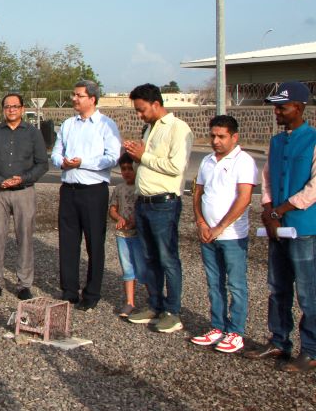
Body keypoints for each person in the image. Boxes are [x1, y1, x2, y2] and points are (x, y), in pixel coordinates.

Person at [243, 82, 316, 372]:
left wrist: (281, 210)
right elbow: (269, 178)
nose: (277, 112)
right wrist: (267, 209)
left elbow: (313, 187)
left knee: (308, 293)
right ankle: (278, 340)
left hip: (303, 228)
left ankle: (310, 350)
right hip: (277, 227)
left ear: (298, 108)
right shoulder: (275, 142)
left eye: (281, 107)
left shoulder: (312, 140)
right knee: (278, 288)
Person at [123, 83, 193, 333]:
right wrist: (134, 154)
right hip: (144, 202)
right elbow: (147, 162)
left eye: (142, 110)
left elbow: (176, 166)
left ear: (156, 104)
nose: (139, 115)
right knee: (150, 257)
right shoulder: (149, 129)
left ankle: (173, 311)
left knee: (167, 258)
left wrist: (144, 157)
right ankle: (155, 304)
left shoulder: (177, 128)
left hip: (164, 203)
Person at [50, 80, 121, 311]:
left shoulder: (105, 125)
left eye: (78, 95)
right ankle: (69, 290)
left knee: (94, 244)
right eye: (73, 94)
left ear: (92, 98)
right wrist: (62, 162)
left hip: (93, 191)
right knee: (68, 242)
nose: (74, 99)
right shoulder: (68, 124)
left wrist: (84, 163)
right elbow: (56, 153)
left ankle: (92, 293)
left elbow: (112, 157)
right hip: (69, 190)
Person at [189, 115, 257, 354]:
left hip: (232, 236)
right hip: (207, 234)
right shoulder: (207, 160)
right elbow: (197, 193)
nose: (216, 141)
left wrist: (220, 227)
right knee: (213, 282)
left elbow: (244, 198)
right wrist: (200, 222)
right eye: (213, 136)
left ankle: (235, 332)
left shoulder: (244, 161)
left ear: (234, 137)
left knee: (236, 284)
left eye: (221, 136)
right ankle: (217, 326)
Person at [0, 93, 48, 301]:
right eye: (7, 106)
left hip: (24, 192)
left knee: (25, 237)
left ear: (22, 108)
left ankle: (24, 284)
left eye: (15, 106)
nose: (11, 110)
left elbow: (42, 163)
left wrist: (23, 179)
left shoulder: (33, 133)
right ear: (3, 109)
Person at [109, 153, 148, 318]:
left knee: (143, 268)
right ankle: (130, 301)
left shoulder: (142, 188)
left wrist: (134, 220)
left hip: (138, 234)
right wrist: (118, 218)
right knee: (127, 268)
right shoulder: (119, 188)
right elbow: (112, 209)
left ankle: (152, 299)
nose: (126, 172)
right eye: (123, 169)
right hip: (122, 234)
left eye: (129, 169)